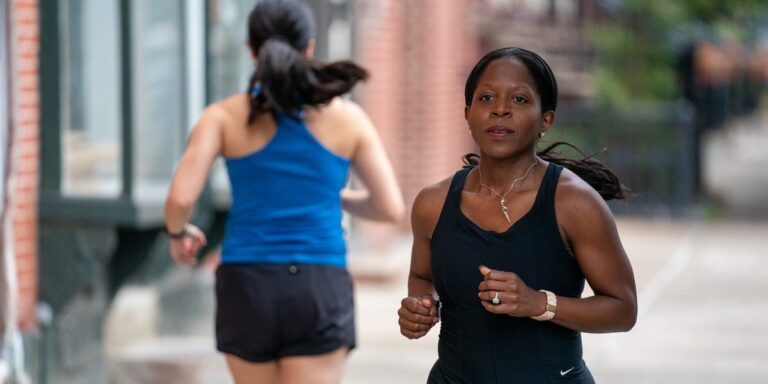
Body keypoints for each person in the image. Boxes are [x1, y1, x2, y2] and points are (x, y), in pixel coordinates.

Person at [164, 1, 405, 383]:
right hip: (318, 283)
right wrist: (330, 194)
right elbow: (390, 208)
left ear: (250, 48)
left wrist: (178, 234)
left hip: (246, 284)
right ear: (309, 47)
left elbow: (180, 199)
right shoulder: (347, 118)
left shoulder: (223, 117)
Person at [397, 47, 637, 383]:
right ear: (467, 114)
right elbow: (422, 277)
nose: (500, 109)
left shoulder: (575, 204)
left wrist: (538, 303)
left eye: (520, 100)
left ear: (546, 120)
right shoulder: (432, 203)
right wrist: (422, 307)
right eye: (487, 98)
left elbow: (623, 310)